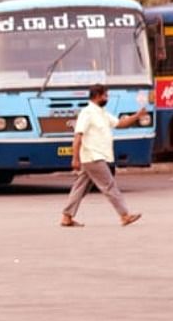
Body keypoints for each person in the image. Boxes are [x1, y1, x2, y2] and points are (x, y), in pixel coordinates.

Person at [60, 85, 147, 228]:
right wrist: (75, 158)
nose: (107, 98)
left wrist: (137, 116)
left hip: (96, 156)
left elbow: (119, 123)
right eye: (105, 96)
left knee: (80, 187)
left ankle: (66, 216)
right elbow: (78, 136)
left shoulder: (102, 113)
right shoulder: (87, 113)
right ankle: (124, 215)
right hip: (93, 156)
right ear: (97, 96)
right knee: (109, 185)